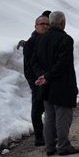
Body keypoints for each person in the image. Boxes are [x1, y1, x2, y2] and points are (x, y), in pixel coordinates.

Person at [32, 11, 79, 156]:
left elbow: (33, 61)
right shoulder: (65, 39)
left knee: (49, 116)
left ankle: (50, 146)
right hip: (62, 84)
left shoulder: (40, 38)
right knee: (63, 116)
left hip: (46, 85)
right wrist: (48, 76)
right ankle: (63, 145)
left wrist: (42, 76)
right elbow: (63, 63)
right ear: (62, 23)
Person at [21, 13, 51, 146]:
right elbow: (28, 65)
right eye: (42, 24)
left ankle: (49, 134)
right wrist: (34, 81)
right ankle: (39, 137)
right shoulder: (31, 42)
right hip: (36, 81)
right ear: (35, 26)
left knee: (48, 107)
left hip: (49, 79)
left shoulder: (49, 39)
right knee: (37, 108)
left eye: (47, 24)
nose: (45, 26)